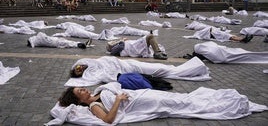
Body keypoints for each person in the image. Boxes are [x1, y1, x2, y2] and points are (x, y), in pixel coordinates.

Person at [54, 83, 268, 125]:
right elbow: (109, 121)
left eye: (81, 87)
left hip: (143, 94)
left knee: (183, 98)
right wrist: (118, 99)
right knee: (182, 104)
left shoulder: (99, 92)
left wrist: (117, 92)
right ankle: (228, 105)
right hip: (141, 104)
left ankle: (226, 101)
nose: (84, 89)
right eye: (80, 91)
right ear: (79, 100)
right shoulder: (93, 106)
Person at [183, 26, 254, 43]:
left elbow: (208, 29)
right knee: (228, 36)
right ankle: (243, 39)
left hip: (216, 32)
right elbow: (203, 34)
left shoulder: (200, 32)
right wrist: (210, 30)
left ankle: (242, 38)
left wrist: (212, 29)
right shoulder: (199, 33)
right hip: (215, 34)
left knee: (228, 35)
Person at [27, 32, 92, 49]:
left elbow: (41, 35)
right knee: (67, 43)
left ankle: (79, 44)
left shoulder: (35, 40)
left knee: (67, 43)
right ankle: (79, 44)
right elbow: (42, 37)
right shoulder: (36, 41)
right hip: (55, 42)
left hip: (55, 41)